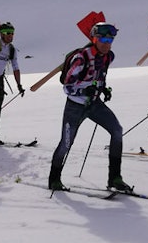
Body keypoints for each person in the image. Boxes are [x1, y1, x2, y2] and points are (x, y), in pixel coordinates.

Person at [48, 22, 133, 193]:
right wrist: (85, 89)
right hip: (75, 107)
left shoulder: (108, 57)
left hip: (94, 104)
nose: (106, 43)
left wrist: (103, 89)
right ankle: (54, 180)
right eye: (103, 39)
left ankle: (115, 178)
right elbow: (67, 86)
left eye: (110, 40)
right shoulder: (81, 58)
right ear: (94, 38)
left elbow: (98, 77)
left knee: (117, 130)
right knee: (66, 143)